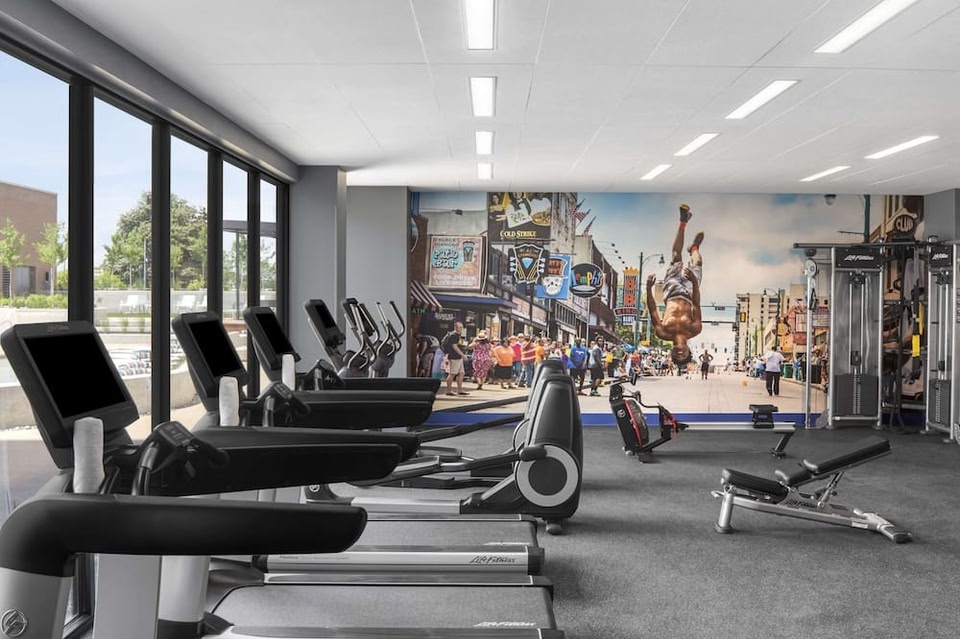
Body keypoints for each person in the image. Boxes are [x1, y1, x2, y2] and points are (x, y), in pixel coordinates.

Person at [646, 203, 705, 369]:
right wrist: (694, 282)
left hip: (671, 291)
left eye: (677, 356)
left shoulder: (663, 333)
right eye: (683, 355)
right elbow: (696, 305)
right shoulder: (695, 329)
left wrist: (648, 288)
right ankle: (694, 248)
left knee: (675, 257)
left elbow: (653, 311)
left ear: (672, 353)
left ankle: (683, 221)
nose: (680, 353)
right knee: (698, 262)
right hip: (689, 292)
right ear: (688, 352)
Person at [442, 321, 469, 396]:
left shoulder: (458, 335)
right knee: (452, 373)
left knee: (461, 373)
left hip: (458, 357)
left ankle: (459, 390)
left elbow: (459, 345)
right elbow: (455, 347)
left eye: (461, 327)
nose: (461, 329)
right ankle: (448, 390)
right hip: (454, 356)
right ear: (455, 327)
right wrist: (463, 355)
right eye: (459, 327)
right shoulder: (453, 335)